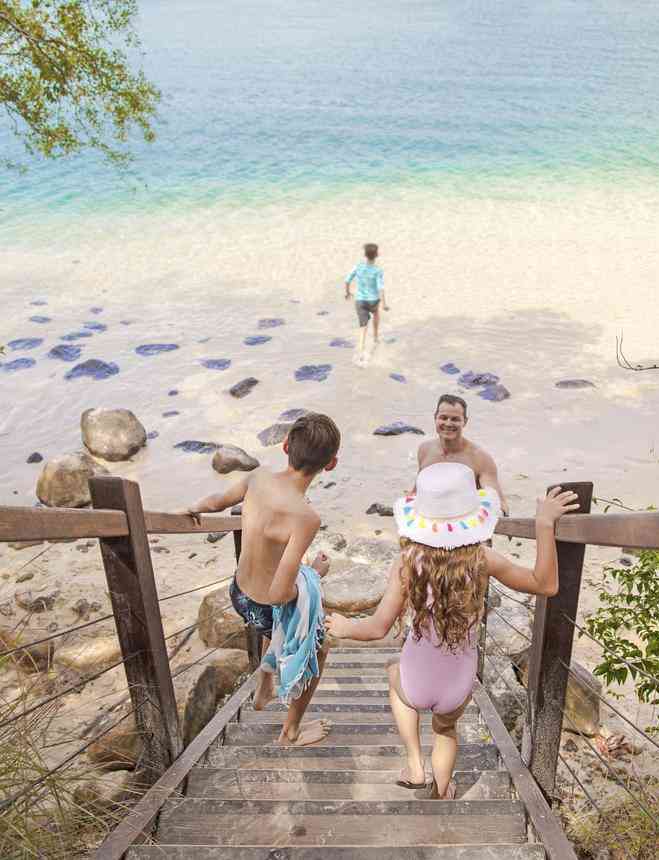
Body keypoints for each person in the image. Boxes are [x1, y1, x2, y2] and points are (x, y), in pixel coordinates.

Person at [327, 462, 578, 798]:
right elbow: (544, 584)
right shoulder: (483, 560)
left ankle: (415, 765)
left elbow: (377, 629)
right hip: (457, 683)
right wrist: (544, 524)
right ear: (471, 517)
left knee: (392, 673)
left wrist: (345, 627)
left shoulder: (407, 564)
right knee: (446, 730)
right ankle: (441, 791)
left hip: (416, 681)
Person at [182, 413, 341, 747]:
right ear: (331, 464)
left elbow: (217, 502)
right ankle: (290, 732)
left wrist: (195, 506)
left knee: (272, 625)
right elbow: (282, 593)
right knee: (320, 647)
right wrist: (314, 575)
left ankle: (263, 688)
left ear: (285, 446)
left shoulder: (257, 478)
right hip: (268, 606)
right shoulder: (306, 517)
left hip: (240, 595)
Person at [416, 394, 510, 515]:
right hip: (433, 520)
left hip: (464, 523)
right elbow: (417, 491)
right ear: (435, 418)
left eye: (455, 419)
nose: (448, 424)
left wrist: (497, 513)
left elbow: (497, 501)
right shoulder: (425, 450)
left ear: (464, 422)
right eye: (443, 418)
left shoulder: (480, 458)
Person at [344, 242, 389, 363]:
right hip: (373, 300)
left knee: (363, 327)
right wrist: (384, 303)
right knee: (376, 315)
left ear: (365, 254)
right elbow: (380, 287)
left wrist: (347, 293)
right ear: (377, 255)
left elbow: (347, 280)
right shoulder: (378, 270)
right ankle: (375, 337)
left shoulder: (358, 266)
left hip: (360, 300)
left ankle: (361, 352)